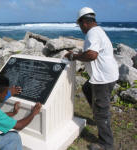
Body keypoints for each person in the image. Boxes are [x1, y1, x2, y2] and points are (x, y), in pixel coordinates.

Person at [65, 7, 119, 150]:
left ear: (84, 22)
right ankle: (97, 115)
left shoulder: (92, 34)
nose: (81, 28)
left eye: (80, 25)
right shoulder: (97, 31)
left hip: (103, 78)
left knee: (102, 110)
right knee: (86, 87)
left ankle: (106, 144)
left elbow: (92, 55)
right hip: (107, 74)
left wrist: (73, 56)